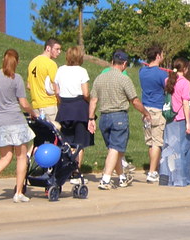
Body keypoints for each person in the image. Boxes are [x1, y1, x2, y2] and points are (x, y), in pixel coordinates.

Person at [0, 49, 35, 204]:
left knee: (5, 157)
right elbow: (23, 103)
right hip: (15, 120)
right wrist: (33, 113)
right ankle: (18, 193)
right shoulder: (17, 79)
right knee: (21, 156)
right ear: (17, 62)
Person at [88, 50, 149, 190]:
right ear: (124, 64)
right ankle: (105, 179)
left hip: (104, 117)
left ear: (112, 62)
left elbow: (93, 100)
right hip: (119, 116)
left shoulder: (100, 78)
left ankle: (122, 178)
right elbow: (134, 101)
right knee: (115, 148)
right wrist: (145, 112)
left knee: (114, 150)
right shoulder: (124, 79)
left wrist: (91, 118)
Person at [158, 57, 190, 187]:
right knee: (183, 150)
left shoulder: (167, 80)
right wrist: (188, 122)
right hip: (181, 118)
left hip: (170, 119)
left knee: (170, 148)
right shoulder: (184, 82)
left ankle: (168, 178)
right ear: (185, 69)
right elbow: (185, 103)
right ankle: (182, 179)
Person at [54, 44, 92, 169]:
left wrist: (62, 101)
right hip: (79, 108)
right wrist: (91, 101)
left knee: (66, 141)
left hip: (64, 108)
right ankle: (76, 170)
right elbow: (86, 93)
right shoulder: (82, 71)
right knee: (79, 142)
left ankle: (65, 168)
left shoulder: (60, 70)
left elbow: (57, 90)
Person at [139, 44, 168, 184]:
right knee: (157, 142)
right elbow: (168, 88)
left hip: (145, 109)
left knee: (150, 142)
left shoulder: (142, 72)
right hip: (157, 108)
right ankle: (152, 171)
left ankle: (153, 168)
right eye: (162, 54)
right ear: (157, 56)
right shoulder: (162, 74)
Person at [26, 38, 62, 123]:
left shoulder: (32, 62)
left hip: (36, 106)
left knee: (42, 134)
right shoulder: (51, 64)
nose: (59, 52)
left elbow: (28, 85)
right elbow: (56, 86)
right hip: (50, 106)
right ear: (48, 48)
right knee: (54, 134)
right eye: (57, 49)